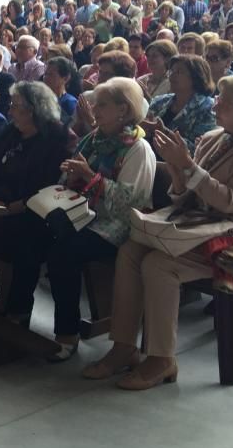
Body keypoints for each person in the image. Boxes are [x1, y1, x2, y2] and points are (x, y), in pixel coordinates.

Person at [83, 74, 233, 389]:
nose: (216, 105)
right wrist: (177, 169)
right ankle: (124, 347)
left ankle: (162, 359)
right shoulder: (214, 137)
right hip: (200, 225)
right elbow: (184, 196)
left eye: (225, 102)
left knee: (158, 264)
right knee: (130, 250)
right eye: (218, 98)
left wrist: (188, 166)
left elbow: (231, 202)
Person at [46, 78, 156, 360]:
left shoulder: (137, 149)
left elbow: (130, 204)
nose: (94, 109)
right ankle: (16, 310)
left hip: (116, 225)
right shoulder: (94, 138)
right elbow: (69, 174)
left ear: (123, 109)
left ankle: (67, 333)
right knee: (33, 229)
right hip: (83, 213)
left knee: (64, 253)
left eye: (102, 104)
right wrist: (70, 177)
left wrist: (89, 177)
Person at [0, 82, 71, 312]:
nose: (10, 111)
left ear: (33, 109)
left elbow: (47, 185)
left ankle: (8, 298)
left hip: (33, 208)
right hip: (0, 197)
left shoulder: (56, 137)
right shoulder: (13, 131)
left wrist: (12, 207)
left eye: (15, 106)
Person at [143, 55, 216, 155]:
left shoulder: (209, 108)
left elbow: (200, 149)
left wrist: (164, 132)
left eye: (179, 72)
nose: (172, 76)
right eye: (171, 71)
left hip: (178, 167)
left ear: (196, 77)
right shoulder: (159, 101)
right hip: (149, 157)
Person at [43, 57, 80, 122]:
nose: (46, 78)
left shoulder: (69, 103)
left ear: (66, 78)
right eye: (45, 74)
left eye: (51, 75)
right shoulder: (40, 98)